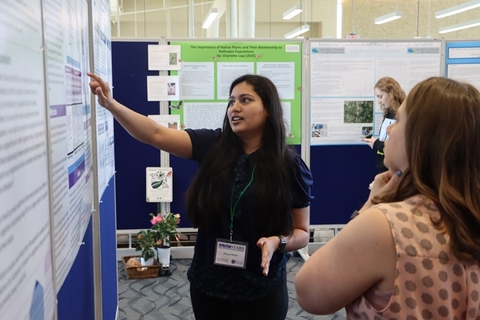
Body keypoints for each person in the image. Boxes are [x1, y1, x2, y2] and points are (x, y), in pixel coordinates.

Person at [87, 72, 314, 320]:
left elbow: (302, 233)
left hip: (260, 286)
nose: (234, 108)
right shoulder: (213, 145)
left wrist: (277, 242)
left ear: (268, 110)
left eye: (245, 100)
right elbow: (155, 134)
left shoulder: (289, 165)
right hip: (209, 282)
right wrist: (111, 104)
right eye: (231, 101)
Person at [295, 77, 480, 319]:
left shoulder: (386, 225)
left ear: (423, 139)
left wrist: (372, 204)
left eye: (400, 121)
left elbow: (308, 293)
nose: (390, 128)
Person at [362, 77, 405, 172]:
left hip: (394, 169)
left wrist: (377, 144)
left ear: (391, 93)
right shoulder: (389, 113)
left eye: (380, 96)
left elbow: (398, 146)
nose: (379, 101)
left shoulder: (402, 114)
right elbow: (386, 140)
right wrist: (375, 143)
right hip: (383, 165)